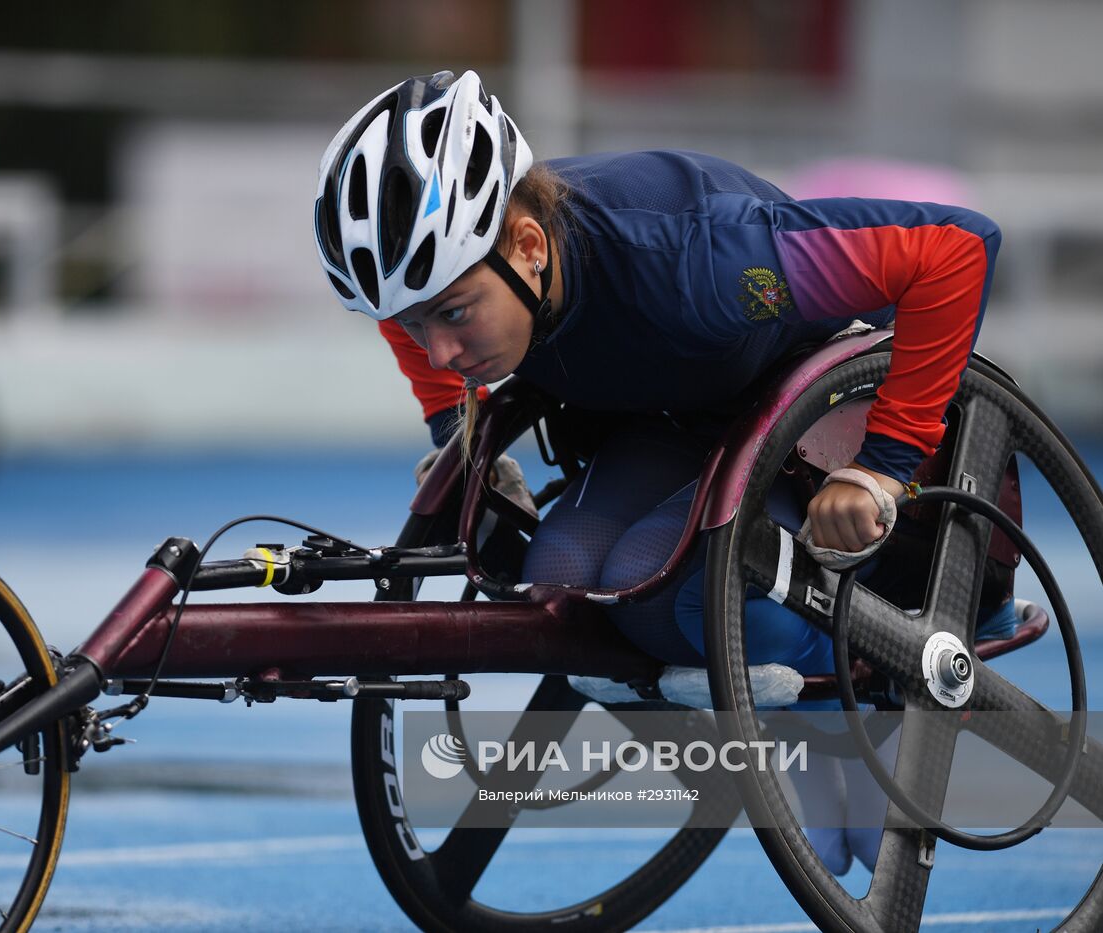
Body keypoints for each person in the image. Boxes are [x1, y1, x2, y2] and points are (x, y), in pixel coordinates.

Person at [312, 70, 1015, 874]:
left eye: (455, 313)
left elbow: (955, 249)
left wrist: (883, 466)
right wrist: (455, 432)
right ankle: (760, 703)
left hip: (813, 433)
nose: (437, 348)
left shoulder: (707, 261)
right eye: (412, 321)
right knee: (564, 576)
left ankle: (841, 704)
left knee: (674, 591)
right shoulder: (475, 268)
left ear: (529, 248)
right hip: (681, 421)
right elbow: (412, 317)